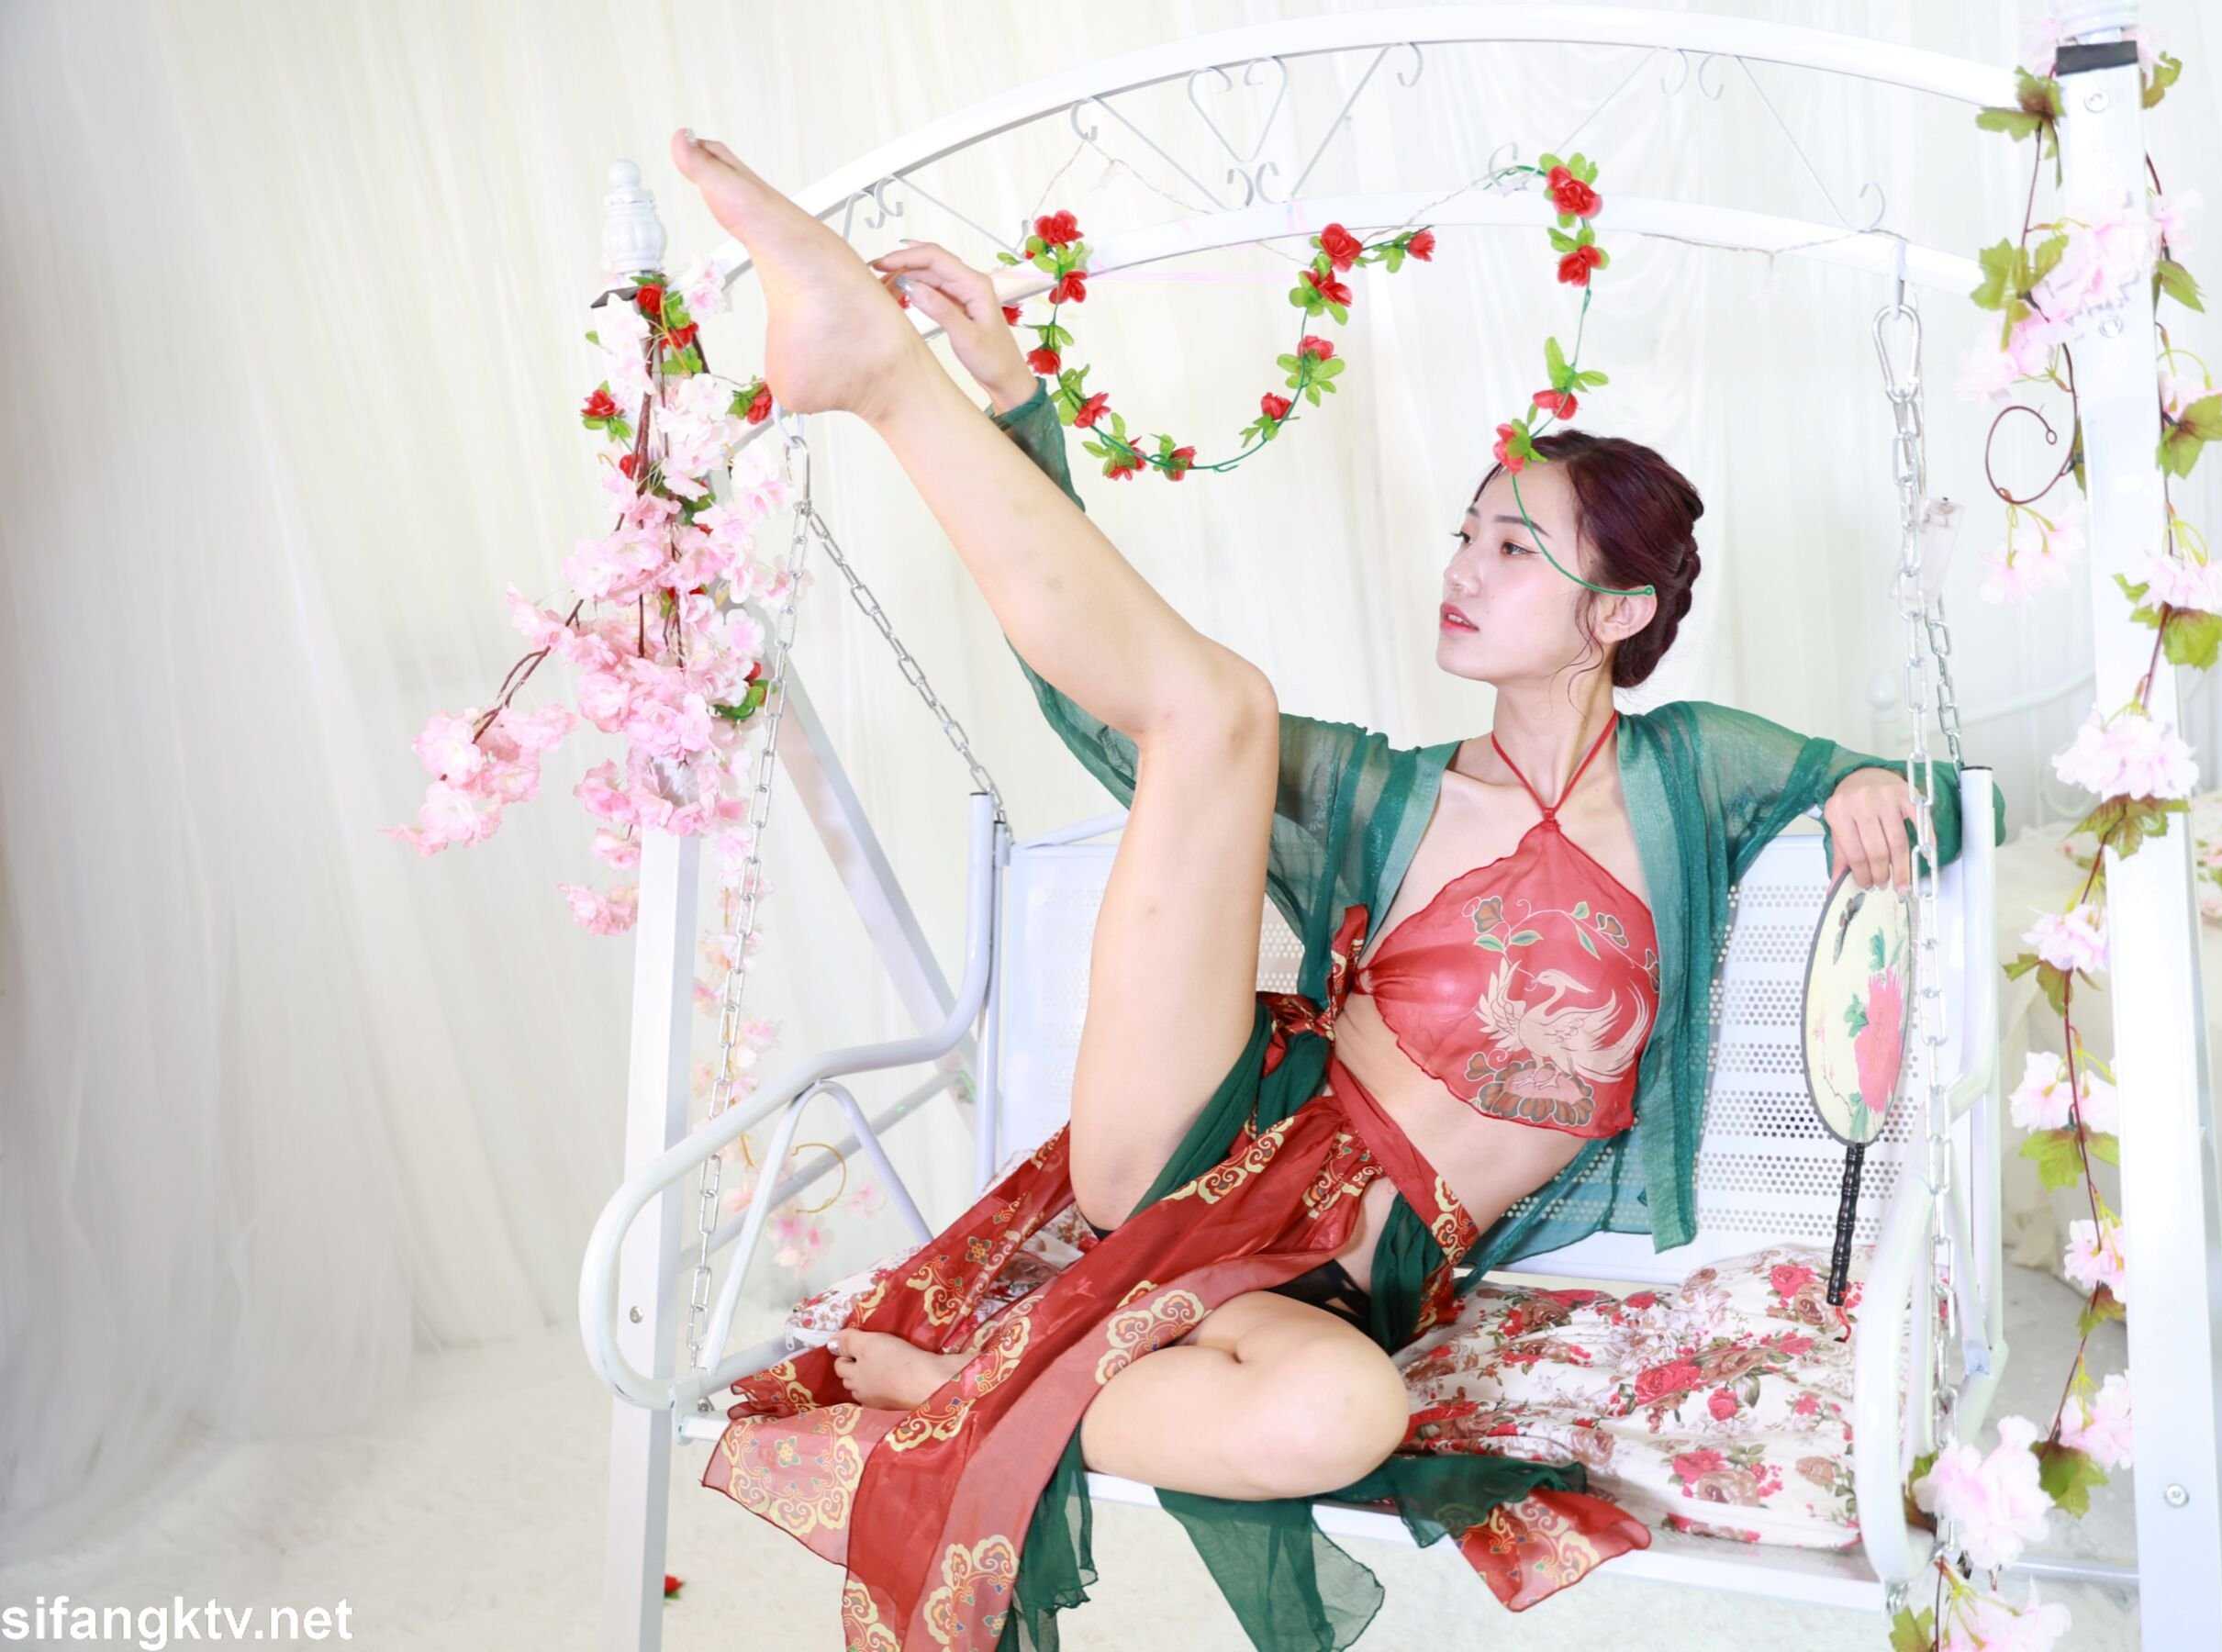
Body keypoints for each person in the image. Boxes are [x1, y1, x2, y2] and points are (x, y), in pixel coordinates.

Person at [667, 129, 1998, 1651]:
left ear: (1617, 614)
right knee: (1214, 711)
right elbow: (1119, 706)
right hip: (1217, 1137)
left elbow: (1947, 805)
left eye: (1515, 548)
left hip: (1338, 1286)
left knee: (1340, 1418)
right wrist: (1021, 406)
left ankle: (966, 1388)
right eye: (1466, 534)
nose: (1464, 568)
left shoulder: (1697, 770)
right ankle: (885, 376)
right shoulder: (1385, 789)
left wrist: (1870, 784)